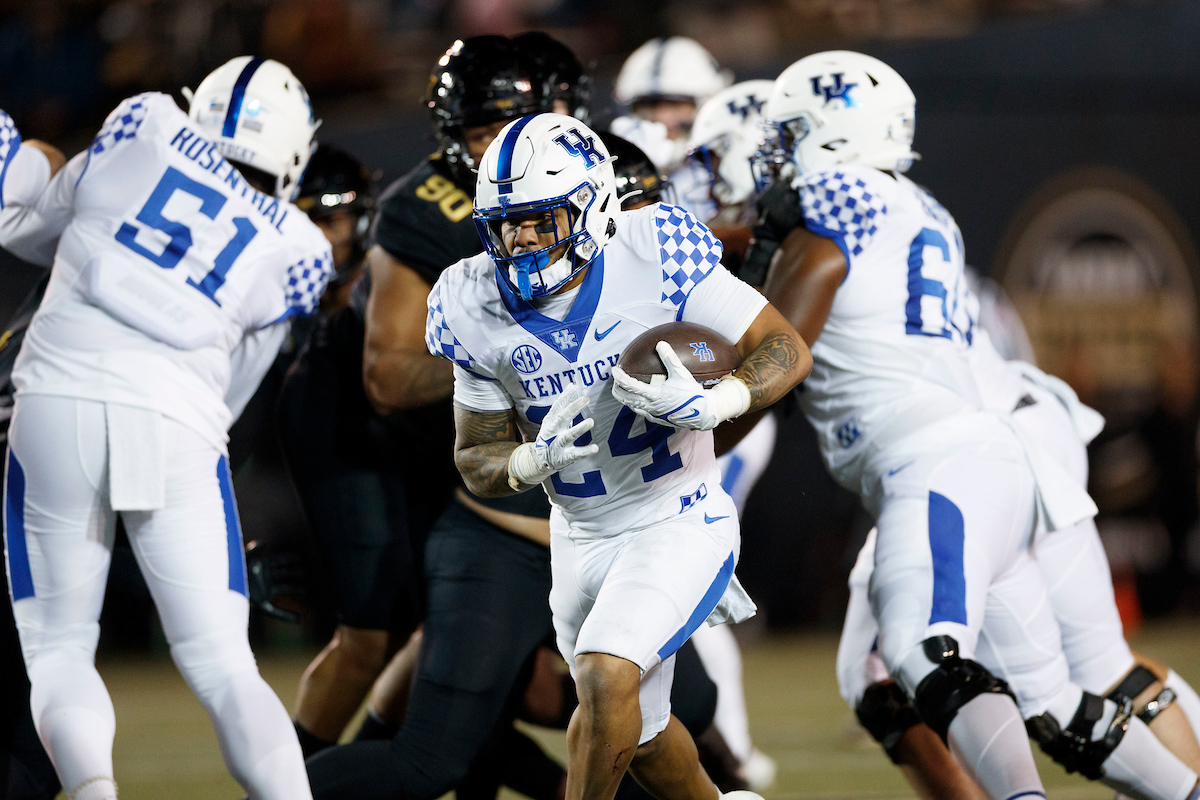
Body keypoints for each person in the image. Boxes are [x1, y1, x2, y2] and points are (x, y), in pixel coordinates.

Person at [752, 49, 1200, 800]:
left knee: (923, 655)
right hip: (997, 445)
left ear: (836, 135)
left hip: (949, 454)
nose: (779, 157)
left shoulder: (848, 194)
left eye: (793, 131)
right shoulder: (918, 209)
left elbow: (794, 244)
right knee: (1051, 696)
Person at [430, 111, 809, 800]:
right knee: (643, 734)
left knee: (607, 676)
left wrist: (722, 401)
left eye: (540, 220)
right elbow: (475, 456)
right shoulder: (468, 299)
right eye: (507, 223)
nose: (518, 240)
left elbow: (784, 348)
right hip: (577, 536)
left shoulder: (655, 247)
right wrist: (525, 464)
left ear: (592, 207)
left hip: (677, 514)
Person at [0, 54, 331, 800]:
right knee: (223, 665)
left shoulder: (144, 121)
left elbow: (44, 217)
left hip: (56, 398)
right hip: (179, 420)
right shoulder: (301, 248)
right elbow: (234, 395)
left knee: (58, 652)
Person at [611, 37, 731, 220]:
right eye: (650, 105)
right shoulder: (610, 170)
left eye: (675, 104)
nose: (662, 118)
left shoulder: (728, 167)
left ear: (706, 105)